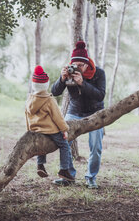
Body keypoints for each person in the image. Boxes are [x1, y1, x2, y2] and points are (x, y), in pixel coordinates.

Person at [51, 41, 106, 189]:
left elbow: (100, 95)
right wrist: (62, 79)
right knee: (64, 140)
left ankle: (91, 177)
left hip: (95, 113)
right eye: (74, 64)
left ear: (87, 64)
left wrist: (83, 83)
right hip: (74, 112)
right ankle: (68, 176)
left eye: (81, 65)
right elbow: (54, 92)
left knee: (95, 146)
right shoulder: (68, 73)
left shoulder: (99, 73)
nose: (77, 68)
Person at [25, 65, 74, 182]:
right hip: (50, 130)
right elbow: (58, 117)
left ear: (33, 85)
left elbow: (27, 116)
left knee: (40, 146)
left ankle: (40, 165)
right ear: (46, 85)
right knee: (64, 145)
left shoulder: (30, 99)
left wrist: (29, 131)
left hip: (35, 130)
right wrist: (64, 129)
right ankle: (64, 170)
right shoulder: (49, 99)